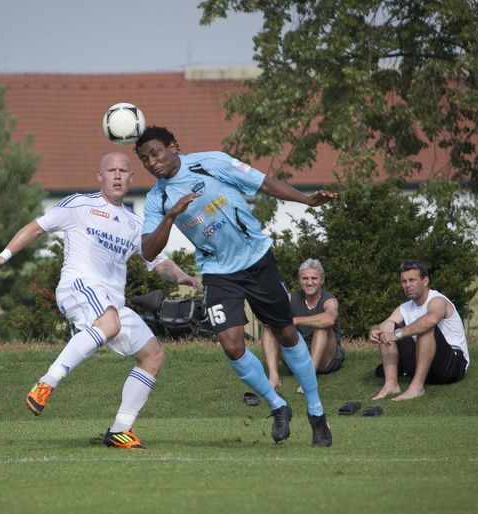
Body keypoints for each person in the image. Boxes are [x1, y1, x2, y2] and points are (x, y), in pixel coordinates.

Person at [0, 152, 202, 450]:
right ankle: (46, 383)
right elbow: (36, 227)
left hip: (110, 301)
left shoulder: (134, 223)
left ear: (131, 178)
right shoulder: (79, 205)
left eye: (124, 171)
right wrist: (3, 255)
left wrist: (183, 277)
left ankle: (121, 429)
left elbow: (157, 260)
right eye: (111, 170)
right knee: (108, 322)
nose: (117, 176)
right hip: (78, 286)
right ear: (99, 176)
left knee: (153, 356)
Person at [135, 126, 335, 447]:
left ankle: (316, 411)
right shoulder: (157, 198)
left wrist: (308, 201)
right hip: (218, 273)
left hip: (258, 261)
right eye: (145, 159)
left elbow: (264, 182)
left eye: (156, 153)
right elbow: (147, 250)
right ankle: (278, 404)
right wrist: (171, 217)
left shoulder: (211, 162)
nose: (152, 162)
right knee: (231, 345)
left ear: (174, 146)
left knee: (285, 333)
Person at [368, 260, 469, 401]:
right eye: (404, 281)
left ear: (425, 281)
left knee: (426, 328)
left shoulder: (438, 300)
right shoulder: (405, 307)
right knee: (386, 328)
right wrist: (374, 331)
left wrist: (397, 334)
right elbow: (385, 324)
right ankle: (391, 384)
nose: (407, 285)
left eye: (412, 280)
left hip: (452, 366)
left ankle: (417, 388)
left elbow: (431, 320)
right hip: (424, 363)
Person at [261, 258, 344, 393]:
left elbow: (329, 319)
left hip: (327, 358)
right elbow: (267, 317)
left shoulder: (329, 300)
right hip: (299, 352)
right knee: (269, 326)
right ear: (299, 280)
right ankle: (273, 376)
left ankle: (309, 378)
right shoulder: (289, 298)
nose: (309, 282)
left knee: (322, 326)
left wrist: (297, 320)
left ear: (322, 280)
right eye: (305, 278)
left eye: (314, 278)